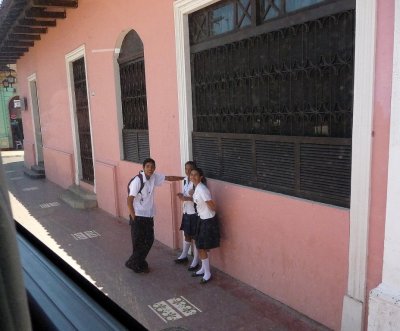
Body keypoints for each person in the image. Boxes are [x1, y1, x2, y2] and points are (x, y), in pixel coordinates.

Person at [125, 158, 184, 273]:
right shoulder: (137, 181)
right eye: (147, 166)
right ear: (143, 168)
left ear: (154, 168)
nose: (150, 169)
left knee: (149, 240)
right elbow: (129, 200)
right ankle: (135, 263)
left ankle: (138, 262)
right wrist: (134, 218)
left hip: (149, 215)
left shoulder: (153, 177)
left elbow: (169, 178)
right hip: (138, 216)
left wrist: (185, 178)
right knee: (139, 242)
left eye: (152, 167)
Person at [190, 167, 220, 284]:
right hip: (202, 219)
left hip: (208, 220)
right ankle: (203, 269)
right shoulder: (197, 188)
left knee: (201, 246)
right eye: (191, 174)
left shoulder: (202, 189)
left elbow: (211, 204)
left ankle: (207, 273)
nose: (193, 176)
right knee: (201, 246)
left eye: (196, 175)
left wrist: (213, 216)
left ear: (201, 177)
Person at [175, 161, 200, 271]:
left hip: (194, 214)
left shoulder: (197, 184)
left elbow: (199, 200)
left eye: (190, 169)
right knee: (187, 234)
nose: (188, 171)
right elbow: (187, 195)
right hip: (186, 212)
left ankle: (196, 260)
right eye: (186, 169)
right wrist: (182, 196)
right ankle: (184, 255)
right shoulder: (186, 181)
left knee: (195, 237)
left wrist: (186, 198)